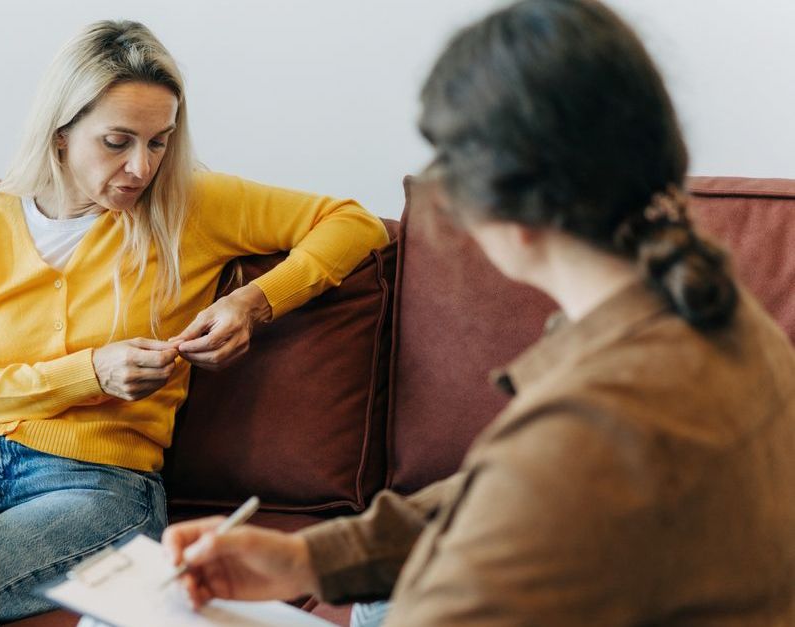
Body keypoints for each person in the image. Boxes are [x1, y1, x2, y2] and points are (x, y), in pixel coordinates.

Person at [161, 1, 795, 624]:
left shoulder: (588, 425)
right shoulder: (717, 313)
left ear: (511, 212)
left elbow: (535, 485)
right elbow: (505, 497)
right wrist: (306, 558)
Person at [0, 19, 388, 626]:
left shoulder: (191, 205)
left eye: (159, 142)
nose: (141, 166)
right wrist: (91, 372)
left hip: (98, 488)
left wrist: (252, 303)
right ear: (61, 134)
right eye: (117, 141)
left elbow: (353, 222)